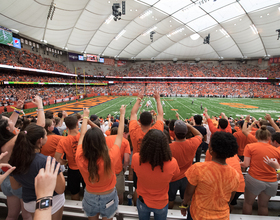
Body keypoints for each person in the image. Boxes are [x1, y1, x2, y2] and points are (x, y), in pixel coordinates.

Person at [76, 105, 126, 220]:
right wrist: (122, 114)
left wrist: (85, 118)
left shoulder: (79, 156)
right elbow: (120, 135)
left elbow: (82, 135)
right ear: (102, 142)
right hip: (108, 195)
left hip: (90, 195)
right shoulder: (110, 156)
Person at [8, 123, 65, 219]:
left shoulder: (14, 159)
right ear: (40, 140)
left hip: (29, 201)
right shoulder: (47, 161)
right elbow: (60, 189)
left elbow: (15, 186)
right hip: (50, 200)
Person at [180, 132, 240, 220]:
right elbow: (230, 198)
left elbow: (189, 192)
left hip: (198, 215)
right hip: (222, 216)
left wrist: (184, 205)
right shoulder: (235, 174)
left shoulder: (198, 168)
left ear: (211, 150)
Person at [0, 95, 41, 220]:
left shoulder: (4, 138)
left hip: (5, 178)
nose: (12, 121)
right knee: (27, 215)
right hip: (20, 180)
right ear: (7, 128)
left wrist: (17, 110)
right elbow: (38, 128)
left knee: (11, 215)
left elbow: (6, 124)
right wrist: (40, 106)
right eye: (9, 121)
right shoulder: (15, 140)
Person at [131, 129, 180, 220]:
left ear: (145, 144)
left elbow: (135, 170)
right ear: (165, 146)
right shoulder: (172, 163)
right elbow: (175, 176)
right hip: (161, 202)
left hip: (143, 201)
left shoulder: (136, 158)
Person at [129, 91, 164, 205]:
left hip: (138, 163)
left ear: (139, 121)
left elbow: (133, 113)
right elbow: (160, 115)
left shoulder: (134, 130)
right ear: (152, 121)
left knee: (137, 188)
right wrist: (158, 99)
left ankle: (136, 207)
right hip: (153, 163)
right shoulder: (157, 130)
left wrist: (139, 98)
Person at [240, 124, 280, 216]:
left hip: (255, 178)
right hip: (272, 180)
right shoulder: (276, 150)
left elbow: (245, 164)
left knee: (248, 203)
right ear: (269, 137)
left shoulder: (250, 147)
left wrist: (238, 163)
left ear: (256, 136)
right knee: (263, 205)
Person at [168, 120, 202, 209]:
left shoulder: (169, 147)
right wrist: (190, 126)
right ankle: (185, 211)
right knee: (186, 198)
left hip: (173, 177)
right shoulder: (192, 143)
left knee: (170, 199)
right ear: (186, 132)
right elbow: (200, 135)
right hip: (187, 176)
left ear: (174, 132)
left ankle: (170, 213)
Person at [54, 115, 85, 201]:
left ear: (66, 126)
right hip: (84, 168)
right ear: (77, 123)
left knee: (74, 192)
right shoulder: (83, 136)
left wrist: (66, 162)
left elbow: (56, 158)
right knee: (89, 191)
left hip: (73, 169)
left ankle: (76, 210)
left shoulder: (63, 140)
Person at [105, 126, 131, 204]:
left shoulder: (106, 139)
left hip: (106, 169)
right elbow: (126, 160)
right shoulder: (125, 141)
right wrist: (125, 168)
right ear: (123, 133)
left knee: (107, 192)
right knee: (119, 193)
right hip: (117, 170)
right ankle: (119, 207)